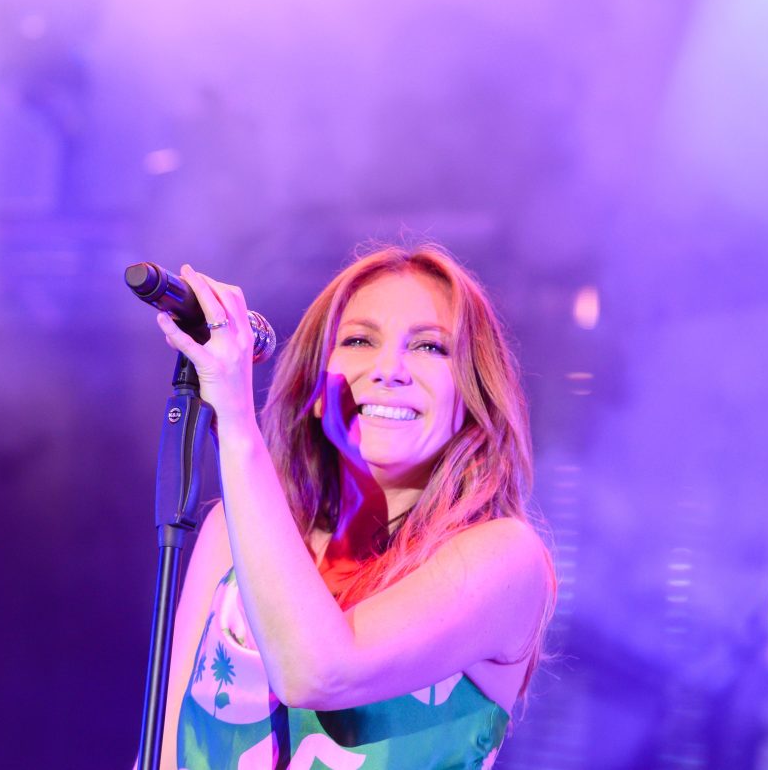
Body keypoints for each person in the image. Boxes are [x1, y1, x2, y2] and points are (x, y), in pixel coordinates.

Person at [153, 244, 556, 769]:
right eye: (360, 340)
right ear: (317, 387)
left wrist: (235, 422)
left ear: (472, 393)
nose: (389, 369)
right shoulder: (230, 534)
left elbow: (316, 672)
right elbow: (163, 754)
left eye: (430, 347)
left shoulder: (505, 559)